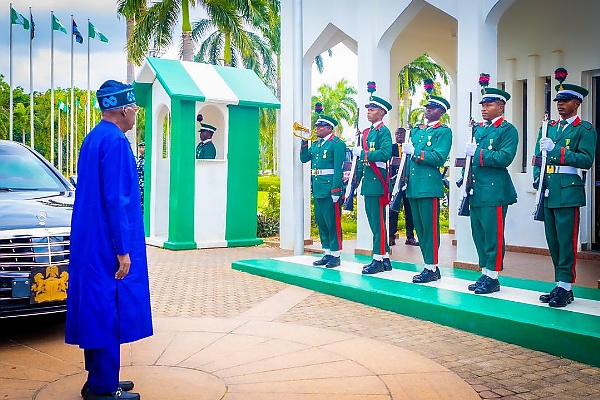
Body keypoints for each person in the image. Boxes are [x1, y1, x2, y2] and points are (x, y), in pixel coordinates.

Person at [66, 80, 153, 400]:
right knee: (108, 310)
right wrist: (123, 251)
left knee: (96, 309)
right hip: (108, 243)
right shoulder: (116, 142)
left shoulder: (94, 138)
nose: (136, 116)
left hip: (91, 241)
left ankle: (100, 378)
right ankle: (103, 389)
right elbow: (117, 200)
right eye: (134, 110)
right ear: (124, 110)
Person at [535, 79, 597, 307]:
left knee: (566, 241)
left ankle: (566, 287)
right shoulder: (548, 127)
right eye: (558, 100)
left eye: (565, 100)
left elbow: (586, 160)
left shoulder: (585, 129)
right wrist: (537, 179)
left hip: (568, 191)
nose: (560, 104)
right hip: (549, 189)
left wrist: (558, 151)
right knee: (553, 240)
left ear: (577, 103)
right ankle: (559, 283)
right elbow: (537, 157)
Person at [465, 85, 518, 294]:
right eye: (483, 105)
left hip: (494, 191)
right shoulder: (479, 129)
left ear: (501, 107)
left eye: (489, 104)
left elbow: (505, 157)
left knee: (493, 234)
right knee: (479, 234)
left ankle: (494, 276)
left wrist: (477, 153)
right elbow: (471, 162)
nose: (484, 108)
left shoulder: (507, 130)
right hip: (476, 189)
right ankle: (485, 272)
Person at [403, 94, 452, 283]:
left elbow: (438, 158)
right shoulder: (417, 131)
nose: (428, 110)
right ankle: (428, 265)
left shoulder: (443, 132)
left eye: (432, 108)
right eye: (427, 107)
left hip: (429, 186)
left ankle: (432, 267)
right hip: (414, 186)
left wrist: (415, 152)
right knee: (420, 229)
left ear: (441, 111)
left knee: (430, 228)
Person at [353, 94, 393, 274]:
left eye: (373, 109)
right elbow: (363, 162)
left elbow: (385, 153)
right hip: (369, 181)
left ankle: (378, 258)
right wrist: (356, 180)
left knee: (378, 222)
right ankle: (384, 259)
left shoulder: (384, 131)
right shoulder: (366, 133)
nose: (369, 111)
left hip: (378, 181)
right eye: (368, 109)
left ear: (382, 112)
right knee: (373, 221)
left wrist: (364, 154)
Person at [300, 114, 347, 268]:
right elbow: (304, 158)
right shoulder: (317, 144)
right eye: (317, 126)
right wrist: (304, 140)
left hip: (329, 189)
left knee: (332, 222)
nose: (317, 129)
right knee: (322, 222)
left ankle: (336, 254)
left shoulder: (336, 144)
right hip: (318, 187)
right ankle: (327, 252)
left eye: (320, 126)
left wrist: (336, 190)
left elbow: (338, 168)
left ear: (329, 128)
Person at [389, 127, 419, 247]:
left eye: (401, 134)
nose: (399, 136)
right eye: (397, 134)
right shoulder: (391, 148)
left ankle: (410, 236)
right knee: (393, 209)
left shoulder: (410, 149)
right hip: (395, 183)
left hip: (408, 182)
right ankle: (391, 236)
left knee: (409, 211)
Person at [136, 142, 145, 213]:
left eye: (143, 147)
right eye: (140, 147)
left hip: (144, 186)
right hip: (138, 185)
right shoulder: (139, 159)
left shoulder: (147, 159)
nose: (141, 149)